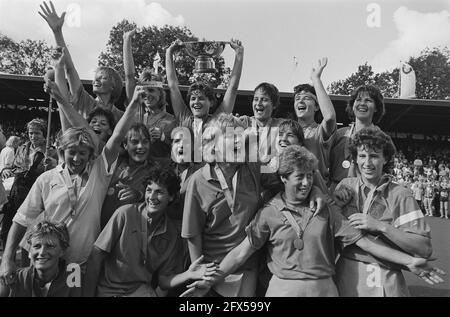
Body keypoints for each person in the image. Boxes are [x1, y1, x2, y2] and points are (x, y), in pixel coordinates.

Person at [182, 145, 444, 297]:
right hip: (282, 291)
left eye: (310, 176)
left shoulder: (327, 210)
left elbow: (365, 243)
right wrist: (209, 280)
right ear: (283, 178)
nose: (307, 182)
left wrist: (409, 261)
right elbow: (240, 254)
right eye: (299, 177)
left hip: (324, 290)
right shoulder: (268, 213)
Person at [0, 84, 144, 286]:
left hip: (81, 264)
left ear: (90, 154)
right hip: (46, 261)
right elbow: (22, 220)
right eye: (72, 152)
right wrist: (7, 259)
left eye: (82, 153)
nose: (76, 158)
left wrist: (134, 104)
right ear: (62, 151)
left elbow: (117, 136)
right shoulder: (47, 178)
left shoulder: (99, 171)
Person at [84, 168, 217, 297]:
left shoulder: (171, 234)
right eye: (149, 191)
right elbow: (96, 257)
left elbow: (164, 281)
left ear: (171, 197)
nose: (152, 197)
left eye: (159, 192)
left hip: (140, 290)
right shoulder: (125, 213)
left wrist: (188, 274)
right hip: (109, 290)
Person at [334, 127, 434, 296]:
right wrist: (335, 204)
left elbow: (424, 249)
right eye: (362, 156)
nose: (367, 163)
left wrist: (381, 226)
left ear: (385, 158)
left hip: (387, 279)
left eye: (374, 156)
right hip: (346, 275)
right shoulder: (345, 187)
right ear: (356, 159)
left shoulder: (401, 194)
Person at [39, 1, 124, 123]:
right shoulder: (84, 100)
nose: (96, 80)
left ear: (113, 86)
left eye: (102, 78)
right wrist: (57, 32)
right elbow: (70, 69)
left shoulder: (121, 117)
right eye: (96, 78)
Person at [165, 38, 244, 162]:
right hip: (186, 176)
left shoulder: (217, 119)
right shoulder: (184, 118)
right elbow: (173, 86)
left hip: (211, 177)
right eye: (193, 98)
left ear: (211, 102)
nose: (196, 102)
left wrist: (239, 54)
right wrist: (169, 53)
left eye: (201, 98)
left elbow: (232, 88)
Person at [0, 119, 57, 247]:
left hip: (35, 194)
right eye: (31, 133)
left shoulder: (51, 152)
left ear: (44, 134)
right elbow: (13, 166)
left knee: (31, 234)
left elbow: (58, 173)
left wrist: (53, 165)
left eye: (37, 133)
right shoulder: (22, 148)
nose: (33, 136)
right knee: (8, 229)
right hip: (17, 192)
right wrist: (6, 170)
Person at [123, 29, 177, 159]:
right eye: (143, 90)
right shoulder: (135, 110)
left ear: (160, 93)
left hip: (157, 171)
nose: (147, 94)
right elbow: (129, 76)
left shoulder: (171, 120)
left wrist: (163, 138)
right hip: (133, 169)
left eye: (151, 90)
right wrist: (126, 41)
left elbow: (177, 151)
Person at [0, 221, 81, 297]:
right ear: (30, 249)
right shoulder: (15, 279)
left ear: (62, 251)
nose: (42, 252)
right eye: (37, 246)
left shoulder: (74, 279)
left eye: (50, 246)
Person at [100, 123, 157, 229]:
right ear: (125, 145)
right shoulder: (113, 162)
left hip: (129, 233)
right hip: (98, 230)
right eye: (135, 142)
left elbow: (161, 197)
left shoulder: (155, 170)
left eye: (145, 142)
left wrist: (139, 195)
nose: (141, 146)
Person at [329, 84, 386, 191]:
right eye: (358, 99)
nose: (362, 103)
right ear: (352, 105)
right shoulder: (339, 134)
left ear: (376, 108)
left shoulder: (381, 138)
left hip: (364, 195)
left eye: (368, 100)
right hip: (334, 193)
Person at [292, 58, 337, 188]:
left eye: (306, 98)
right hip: (290, 193)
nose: (300, 101)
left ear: (317, 106)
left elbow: (329, 117)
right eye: (297, 98)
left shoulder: (320, 132)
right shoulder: (287, 132)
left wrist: (316, 79)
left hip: (317, 192)